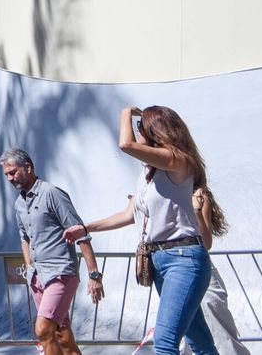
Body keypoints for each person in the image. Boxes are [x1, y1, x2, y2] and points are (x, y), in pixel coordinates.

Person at [68, 106, 219, 355]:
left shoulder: (178, 160)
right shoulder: (147, 176)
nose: (136, 132)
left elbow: (125, 144)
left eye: (140, 127)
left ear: (153, 132)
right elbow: (128, 215)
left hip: (184, 259)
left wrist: (126, 112)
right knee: (199, 342)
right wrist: (85, 228)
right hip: (159, 260)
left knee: (165, 342)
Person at [0, 147, 104, 355]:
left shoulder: (52, 193)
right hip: (38, 277)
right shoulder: (19, 204)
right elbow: (25, 239)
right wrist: (30, 268)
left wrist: (94, 275)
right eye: (7, 175)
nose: (10, 178)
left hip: (60, 273)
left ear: (28, 167)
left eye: (13, 172)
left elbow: (80, 232)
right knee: (62, 337)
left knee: (43, 329)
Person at [189, 186, 249, 355]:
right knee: (185, 333)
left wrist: (196, 210)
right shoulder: (161, 191)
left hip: (199, 269)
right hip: (175, 271)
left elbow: (206, 242)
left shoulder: (198, 196)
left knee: (218, 327)